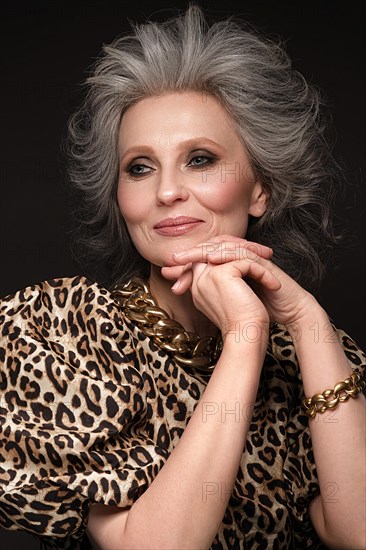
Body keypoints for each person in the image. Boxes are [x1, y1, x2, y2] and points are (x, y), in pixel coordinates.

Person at [0, 4, 365, 549]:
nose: (167, 191)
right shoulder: (53, 335)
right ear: (120, 197)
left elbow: (357, 532)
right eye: (139, 167)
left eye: (199, 159)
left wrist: (307, 319)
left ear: (260, 189)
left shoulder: (305, 355)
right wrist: (245, 337)